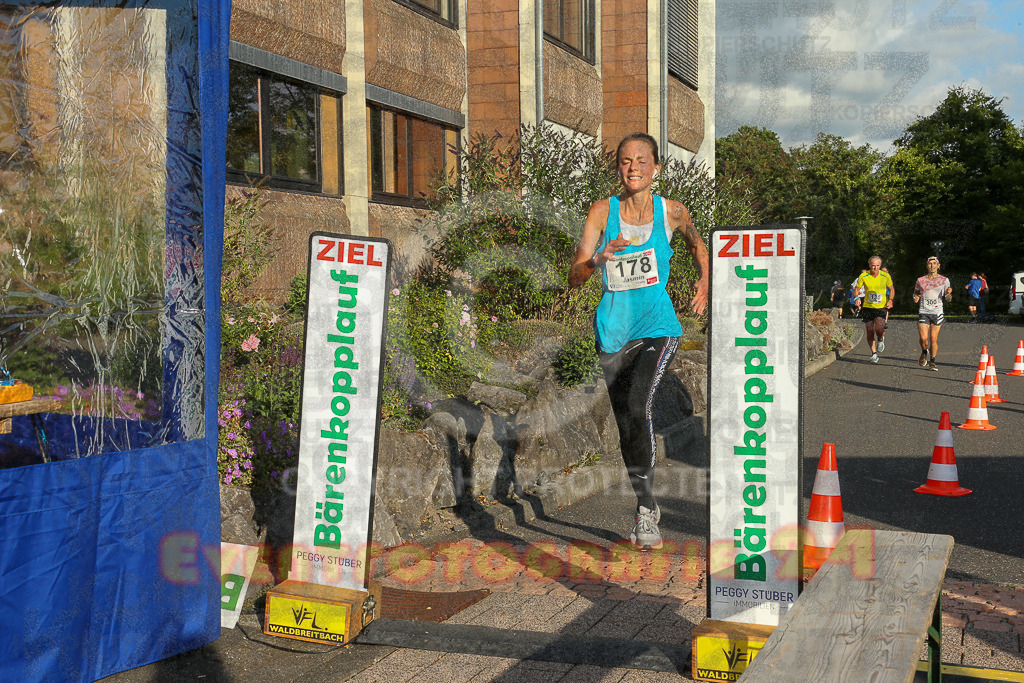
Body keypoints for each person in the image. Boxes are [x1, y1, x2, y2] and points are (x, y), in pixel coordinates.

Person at [569, 132, 709, 550]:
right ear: (618, 168)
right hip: (612, 332)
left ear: (657, 168)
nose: (634, 168)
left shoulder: (673, 211)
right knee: (624, 426)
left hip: (657, 326)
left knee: (638, 405)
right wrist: (597, 259)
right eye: (626, 161)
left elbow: (699, 244)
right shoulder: (601, 211)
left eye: (642, 161)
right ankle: (645, 501)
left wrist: (704, 280)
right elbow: (574, 278)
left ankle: (646, 513)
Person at [913, 256, 953, 371]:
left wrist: (948, 294)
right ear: (927, 266)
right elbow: (915, 292)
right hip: (924, 311)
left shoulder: (944, 280)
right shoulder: (920, 280)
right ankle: (924, 351)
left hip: (937, 312)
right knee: (923, 338)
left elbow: (949, 298)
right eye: (930, 264)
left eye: (934, 263)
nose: (932, 266)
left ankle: (932, 362)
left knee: (933, 338)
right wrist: (915, 297)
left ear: (938, 266)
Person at [855, 256, 894, 363]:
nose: (875, 268)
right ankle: (874, 353)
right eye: (873, 266)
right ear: (869, 265)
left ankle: (881, 339)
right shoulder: (864, 275)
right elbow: (856, 289)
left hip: (881, 307)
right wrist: (857, 298)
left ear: (880, 266)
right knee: (869, 332)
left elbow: (891, 289)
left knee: (879, 329)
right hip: (868, 307)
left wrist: (890, 300)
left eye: (877, 266)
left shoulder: (885, 276)